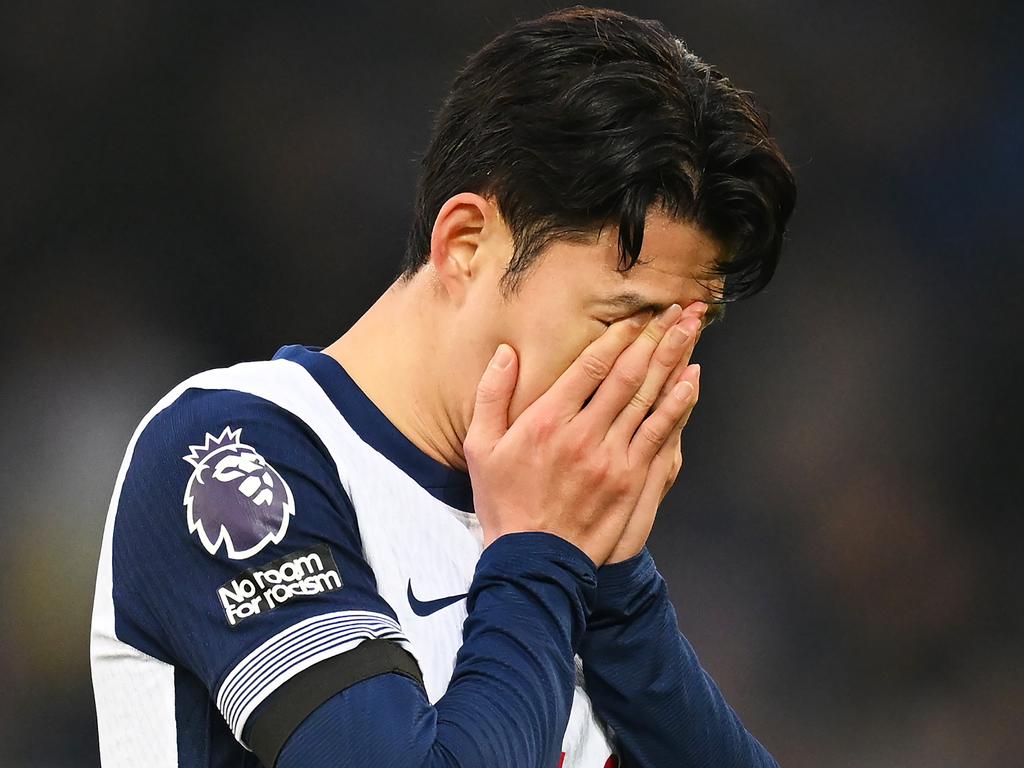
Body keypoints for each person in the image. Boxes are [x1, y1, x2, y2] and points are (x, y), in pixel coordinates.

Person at [90, 6, 796, 767]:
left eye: (687, 334)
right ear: (466, 244)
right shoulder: (234, 453)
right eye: (623, 318)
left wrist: (622, 596)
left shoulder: (562, 535)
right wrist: (541, 553)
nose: (647, 374)